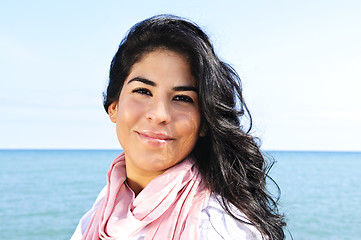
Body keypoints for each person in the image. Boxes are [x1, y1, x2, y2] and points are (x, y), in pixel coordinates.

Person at [71, 14, 286, 240]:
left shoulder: (217, 226)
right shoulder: (104, 209)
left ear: (204, 121)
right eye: (143, 91)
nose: (160, 114)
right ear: (113, 107)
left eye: (182, 98)